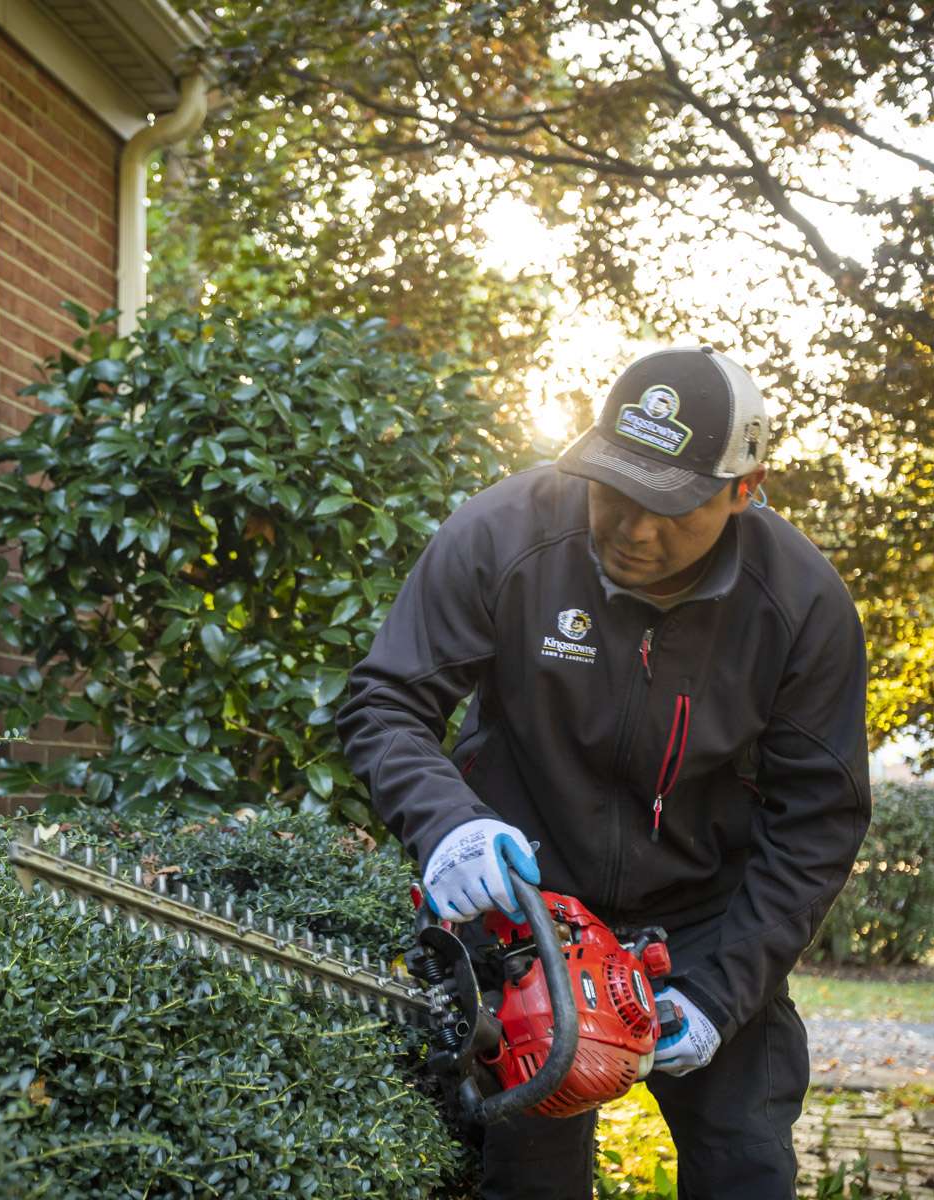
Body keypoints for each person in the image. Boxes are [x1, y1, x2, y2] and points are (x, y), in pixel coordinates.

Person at [336, 345, 869, 1199]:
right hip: (528, 915)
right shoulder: (506, 533)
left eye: (672, 505)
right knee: (525, 1179)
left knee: (746, 1165)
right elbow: (385, 700)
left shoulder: (802, 607)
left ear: (745, 488)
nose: (634, 528)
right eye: (614, 488)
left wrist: (721, 992)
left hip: (703, 923)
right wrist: (449, 825)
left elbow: (819, 820)